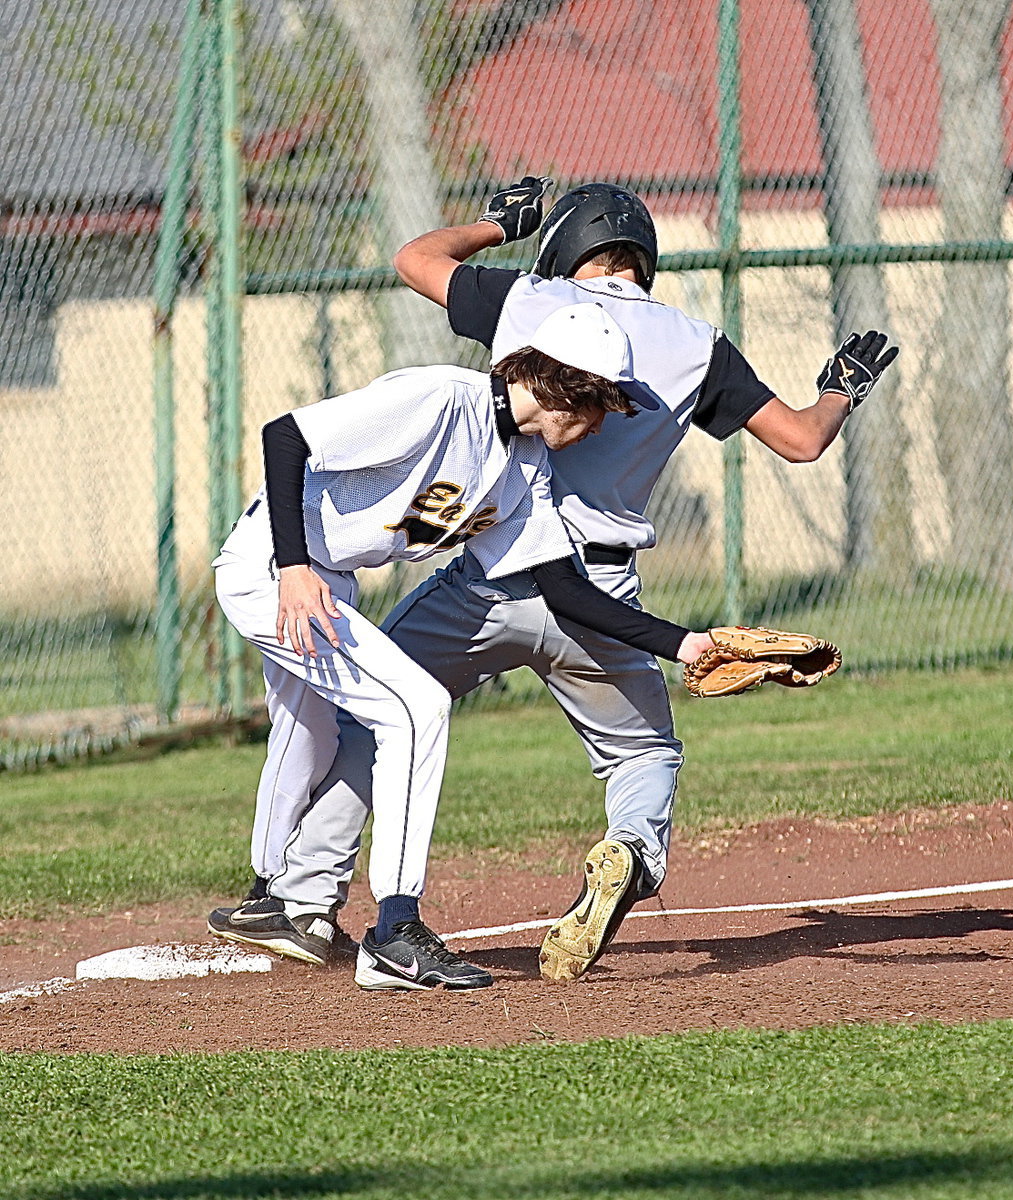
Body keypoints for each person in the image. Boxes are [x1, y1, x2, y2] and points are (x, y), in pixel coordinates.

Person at [215, 178, 898, 984]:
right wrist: (837, 391)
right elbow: (799, 440)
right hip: (597, 592)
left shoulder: (525, 302)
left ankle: (304, 897)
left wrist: (495, 226)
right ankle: (629, 849)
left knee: (373, 722)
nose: (604, 417)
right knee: (642, 753)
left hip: (492, 579)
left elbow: (412, 259)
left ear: (566, 249)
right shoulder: (694, 342)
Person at [209, 300, 722, 991]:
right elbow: (286, 436)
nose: (602, 421)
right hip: (275, 566)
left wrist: (685, 643)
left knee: (311, 733)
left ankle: (269, 902)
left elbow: (563, 590)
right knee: (415, 708)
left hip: (326, 577)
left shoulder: (524, 466)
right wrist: (294, 571)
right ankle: (394, 932)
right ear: (562, 385)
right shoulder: (441, 400)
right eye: (601, 403)